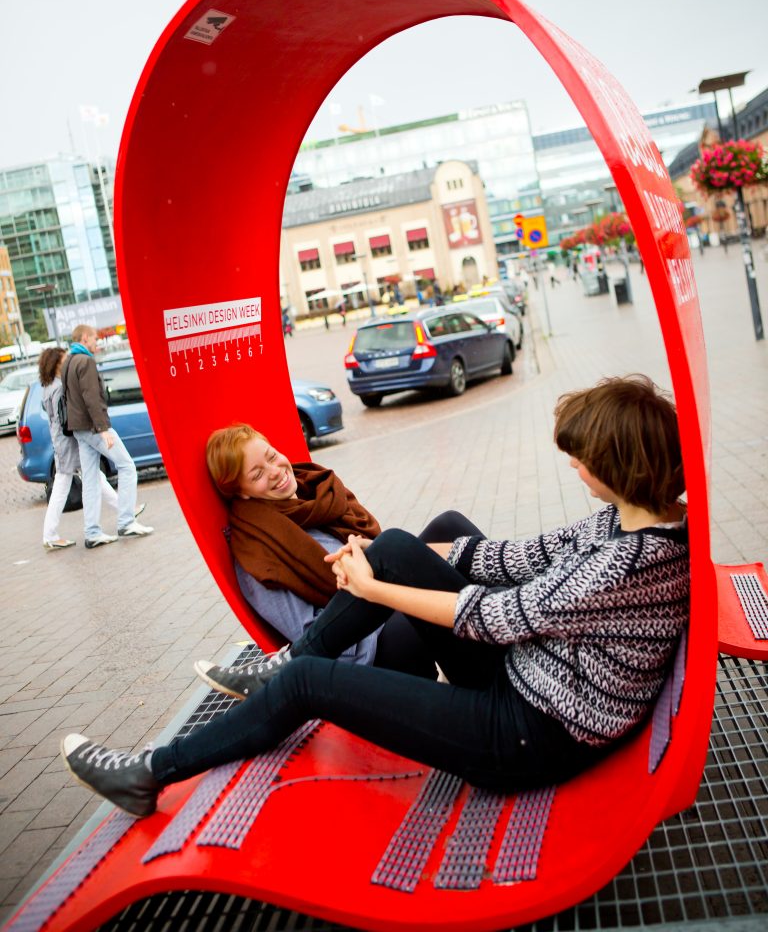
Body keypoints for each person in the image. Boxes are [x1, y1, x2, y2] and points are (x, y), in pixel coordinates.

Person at [61, 376, 689, 818]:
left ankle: (150, 772)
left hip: (528, 735)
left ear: (618, 464)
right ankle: (288, 659)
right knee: (401, 540)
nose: (575, 470)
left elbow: (494, 616)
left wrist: (373, 587)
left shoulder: (631, 562)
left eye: (581, 460)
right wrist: (391, 560)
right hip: (529, 683)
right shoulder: (630, 523)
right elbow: (514, 557)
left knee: (310, 680)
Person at [202, 423, 463, 679]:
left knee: (449, 525)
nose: (274, 471)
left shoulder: (315, 496)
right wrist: (388, 598)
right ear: (242, 493)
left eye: (271, 456)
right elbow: (314, 638)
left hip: (389, 602)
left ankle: (491, 652)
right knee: (424, 604)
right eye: (257, 475)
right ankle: (480, 678)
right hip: (371, 649)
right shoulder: (260, 555)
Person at [38, 348, 145, 551]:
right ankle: (50, 534)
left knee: (93, 477)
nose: (66, 364)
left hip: (63, 440)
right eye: (62, 362)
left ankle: (124, 508)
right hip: (67, 441)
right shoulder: (58, 388)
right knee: (65, 482)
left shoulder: (47, 387)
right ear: (56, 365)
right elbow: (65, 415)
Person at [64, 325, 153, 548]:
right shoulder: (86, 361)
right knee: (127, 466)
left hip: (79, 429)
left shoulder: (67, 363)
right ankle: (126, 521)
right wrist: (103, 429)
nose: (97, 343)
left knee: (92, 480)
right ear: (85, 338)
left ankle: (92, 532)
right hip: (94, 427)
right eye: (94, 338)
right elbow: (91, 398)